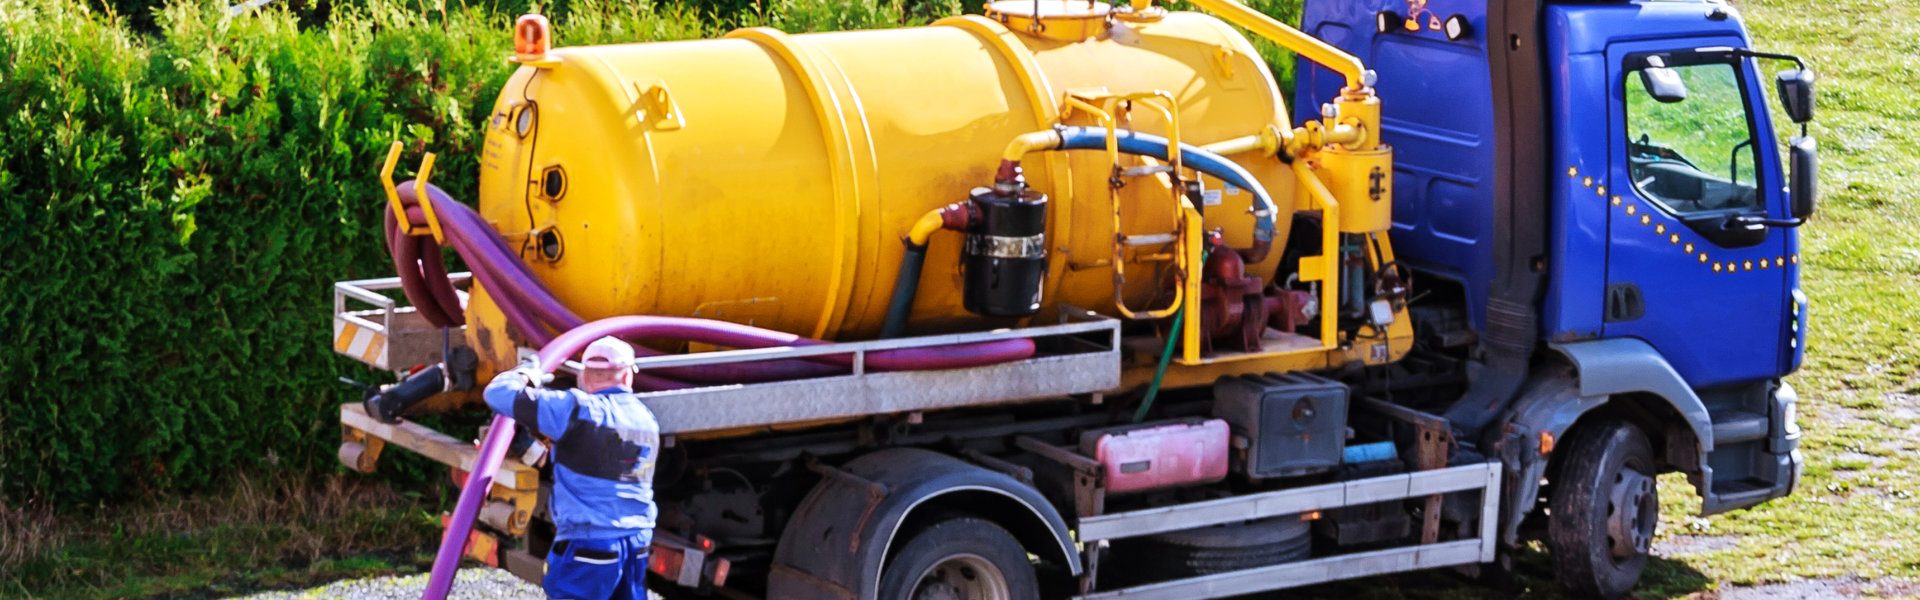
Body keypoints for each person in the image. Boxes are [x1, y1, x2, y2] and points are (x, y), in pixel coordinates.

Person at [485, 336, 659, 600]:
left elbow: (497, 394)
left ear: (585, 377)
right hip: (636, 543)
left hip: (589, 545)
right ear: (627, 378)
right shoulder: (646, 419)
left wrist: (527, 374)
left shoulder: (576, 409)